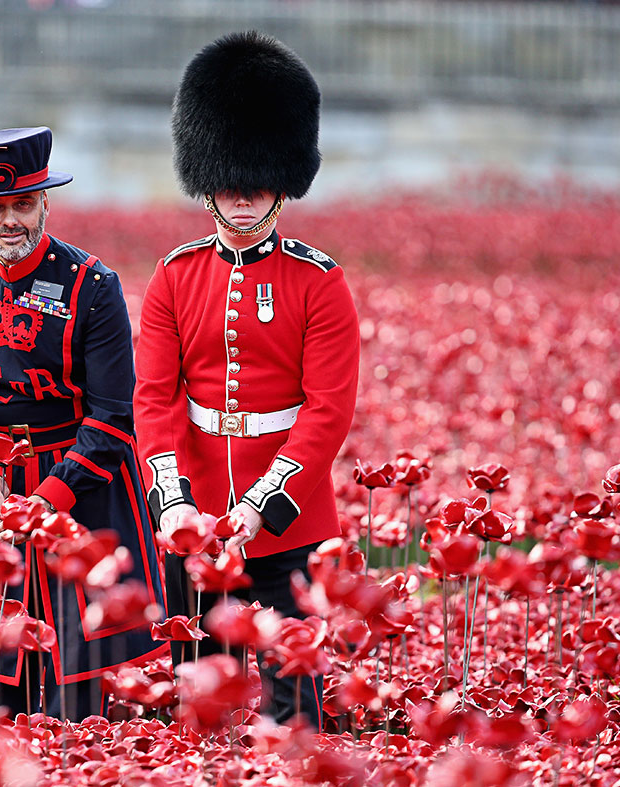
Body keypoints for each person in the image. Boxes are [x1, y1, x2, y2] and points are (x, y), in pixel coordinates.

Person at [133, 32, 361, 728]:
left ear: (282, 180)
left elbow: (327, 411)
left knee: (297, 712)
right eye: (228, 179)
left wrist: (262, 503)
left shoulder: (319, 282)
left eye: (256, 180)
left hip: (288, 521)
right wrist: (172, 500)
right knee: (200, 709)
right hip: (194, 514)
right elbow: (156, 398)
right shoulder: (174, 276)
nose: (241, 196)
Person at [0, 127, 167, 720]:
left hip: (84, 487)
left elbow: (113, 417)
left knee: (84, 685)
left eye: (22, 204)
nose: (10, 221)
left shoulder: (93, 285)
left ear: (46, 203)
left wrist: (50, 499)